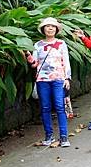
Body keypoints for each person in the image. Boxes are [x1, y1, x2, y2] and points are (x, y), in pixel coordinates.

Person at [26, 17, 71, 147]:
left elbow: (66, 61)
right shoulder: (37, 45)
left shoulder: (61, 44)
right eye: (47, 26)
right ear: (43, 29)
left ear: (56, 29)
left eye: (52, 26)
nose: (50, 28)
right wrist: (29, 56)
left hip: (58, 79)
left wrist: (67, 78)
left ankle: (63, 137)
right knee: (45, 107)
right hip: (42, 80)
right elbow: (35, 64)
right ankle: (49, 136)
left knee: (59, 106)